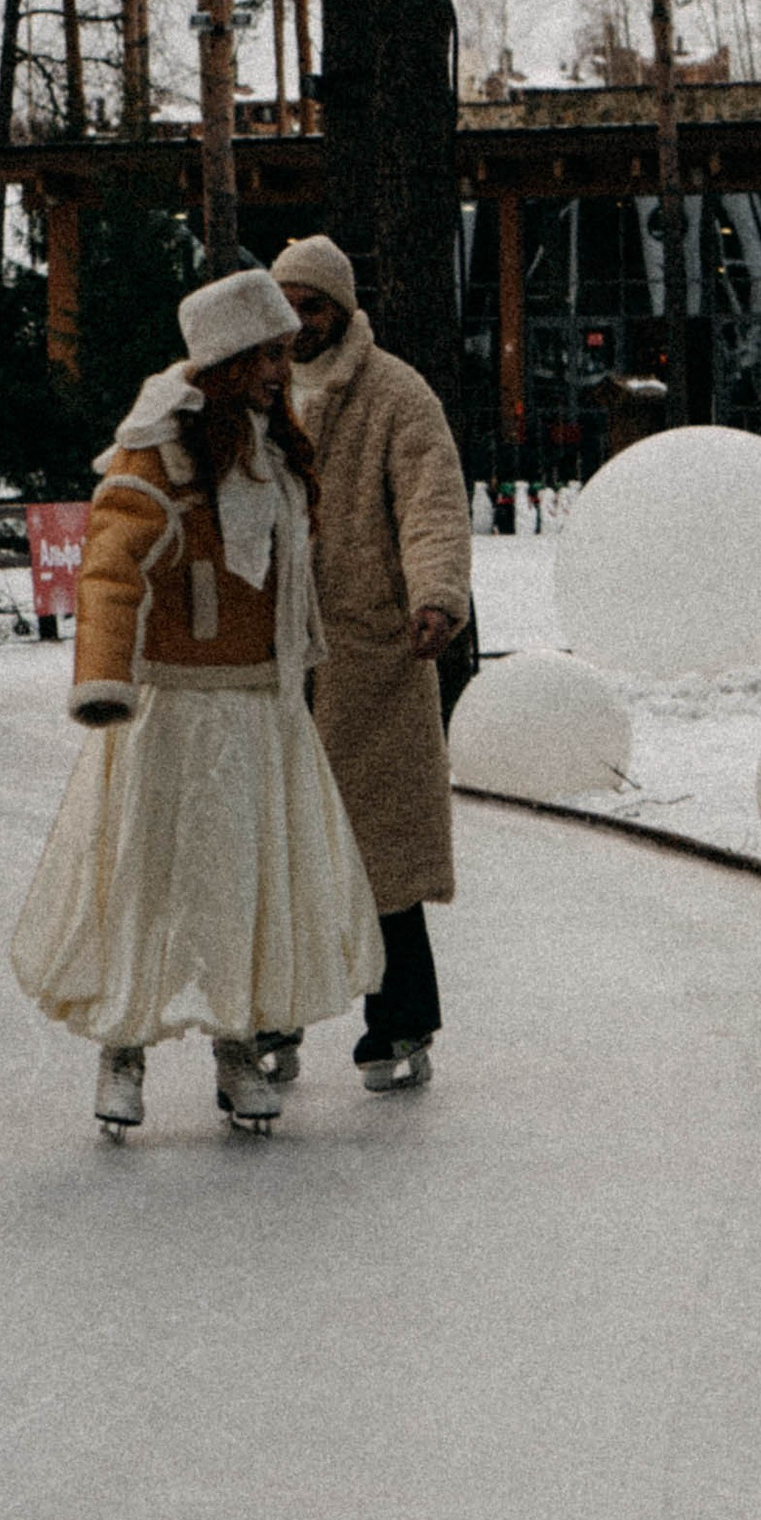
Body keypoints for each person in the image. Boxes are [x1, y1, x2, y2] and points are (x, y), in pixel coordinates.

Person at [10, 266, 381, 1138]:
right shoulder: (160, 452)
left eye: (285, 354)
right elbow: (110, 569)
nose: (282, 371)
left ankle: (238, 1045)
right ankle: (122, 1049)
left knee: (244, 884)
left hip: (258, 707)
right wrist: (104, 679)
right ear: (227, 360)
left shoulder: (274, 450)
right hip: (172, 710)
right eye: (268, 355)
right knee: (144, 880)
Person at [264, 235, 473, 1094]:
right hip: (271, 652)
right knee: (272, 849)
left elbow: (432, 503)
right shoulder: (254, 389)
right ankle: (265, 1021)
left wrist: (436, 597)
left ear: (343, 309)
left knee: (379, 850)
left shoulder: (395, 394)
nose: (298, 322)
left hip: (368, 653)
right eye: (286, 306)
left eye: (313, 306)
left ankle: (400, 1021)